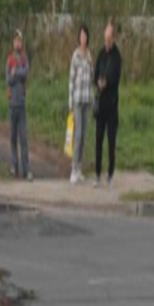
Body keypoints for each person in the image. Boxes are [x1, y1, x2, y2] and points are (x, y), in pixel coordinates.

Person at [93, 21, 123, 188]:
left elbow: (116, 76)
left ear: (113, 38)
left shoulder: (117, 56)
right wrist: (98, 81)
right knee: (98, 139)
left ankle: (110, 174)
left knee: (111, 141)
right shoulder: (101, 54)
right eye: (105, 39)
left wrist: (107, 83)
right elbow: (96, 71)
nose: (107, 42)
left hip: (111, 104)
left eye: (109, 39)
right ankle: (97, 174)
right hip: (101, 104)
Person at [67, 23, 95, 185]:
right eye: (81, 35)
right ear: (79, 37)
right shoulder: (76, 55)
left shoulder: (89, 55)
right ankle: (73, 168)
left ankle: (79, 167)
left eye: (85, 35)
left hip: (87, 98)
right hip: (77, 98)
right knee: (77, 134)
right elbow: (71, 79)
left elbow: (91, 76)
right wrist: (70, 101)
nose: (83, 38)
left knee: (84, 134)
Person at [6, 30, 31, 180]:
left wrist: (16, 73)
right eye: (16, 41)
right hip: (12, 103)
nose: (18, 44)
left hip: (21, 103)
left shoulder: (24, 59)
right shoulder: (9, 59)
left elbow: (24, 73)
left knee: (24, 138)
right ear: (13, 43)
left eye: (20, 41)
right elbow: (7, 79)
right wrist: (15, 74)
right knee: (12, 137)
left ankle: (26, 168)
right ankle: (14, 166)